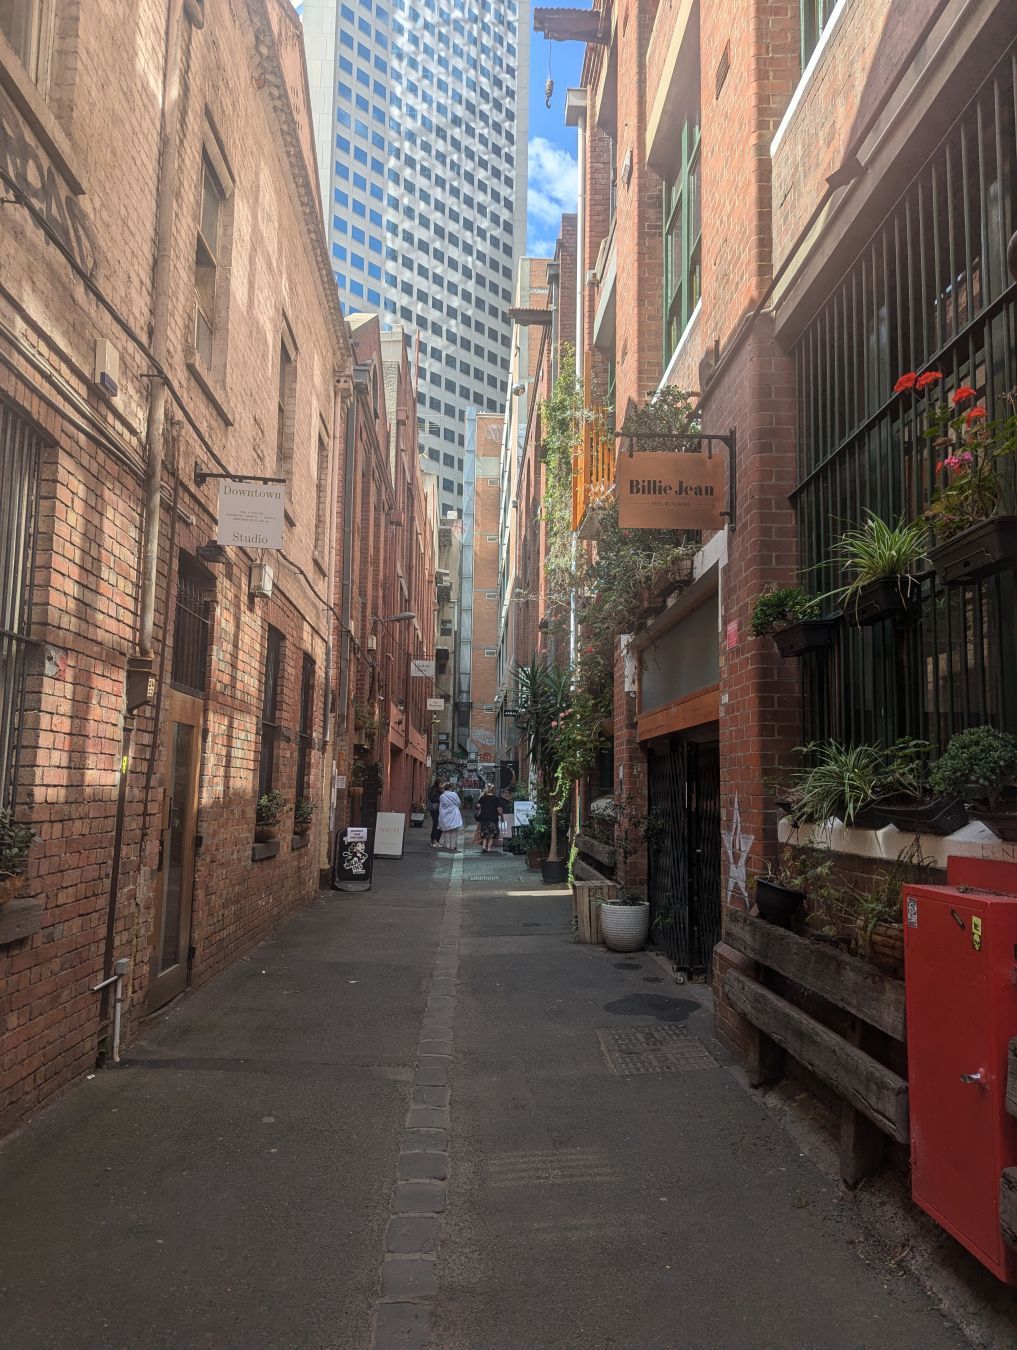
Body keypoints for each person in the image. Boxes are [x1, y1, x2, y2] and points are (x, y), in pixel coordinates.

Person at [475, 785, 504, 853]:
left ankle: (484, 846)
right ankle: (489, 848)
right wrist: (502, 817)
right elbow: (499, 809)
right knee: (492, 834)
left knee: (484, 834)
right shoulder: (496, 799)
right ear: (494, 790)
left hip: (483, 818)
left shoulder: (483, 797)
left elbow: (478, 806)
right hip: (493, 818)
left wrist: (483, 807)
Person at [438, 781, 463, 852]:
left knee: (446, 830)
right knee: (454, 830)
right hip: (454, 813)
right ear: (450, 788)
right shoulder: (454, 794)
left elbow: (441, 806)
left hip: (445, 814)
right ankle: (453, 845)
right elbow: (459, 802)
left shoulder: (442, 796)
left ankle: (447, 845)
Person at [427, 777, 443, 848]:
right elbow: (432, 799)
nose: (442, 785)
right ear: (438, 783)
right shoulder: (434, 789)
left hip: (437, 809)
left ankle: (436, 840)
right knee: (436, 824)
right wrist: (440, 798)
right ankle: (433, 840)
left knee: (438, 825)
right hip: (435, 809)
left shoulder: (438, 789)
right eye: (441, 784)